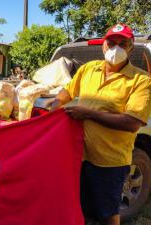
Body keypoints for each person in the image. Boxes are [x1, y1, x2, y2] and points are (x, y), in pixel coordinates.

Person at [52, 24, 151, 225]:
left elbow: (132, 122)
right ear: (103, 45)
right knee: (79, 207)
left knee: (107, 213)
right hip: (78, 155)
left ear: (131, 47)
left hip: (110, 161)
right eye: (112, 42)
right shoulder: (89, 69)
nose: (116, 48)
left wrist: (87, 113)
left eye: (123, 44)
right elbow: (67, 92)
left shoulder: (141, 80)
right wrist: (51, 110)